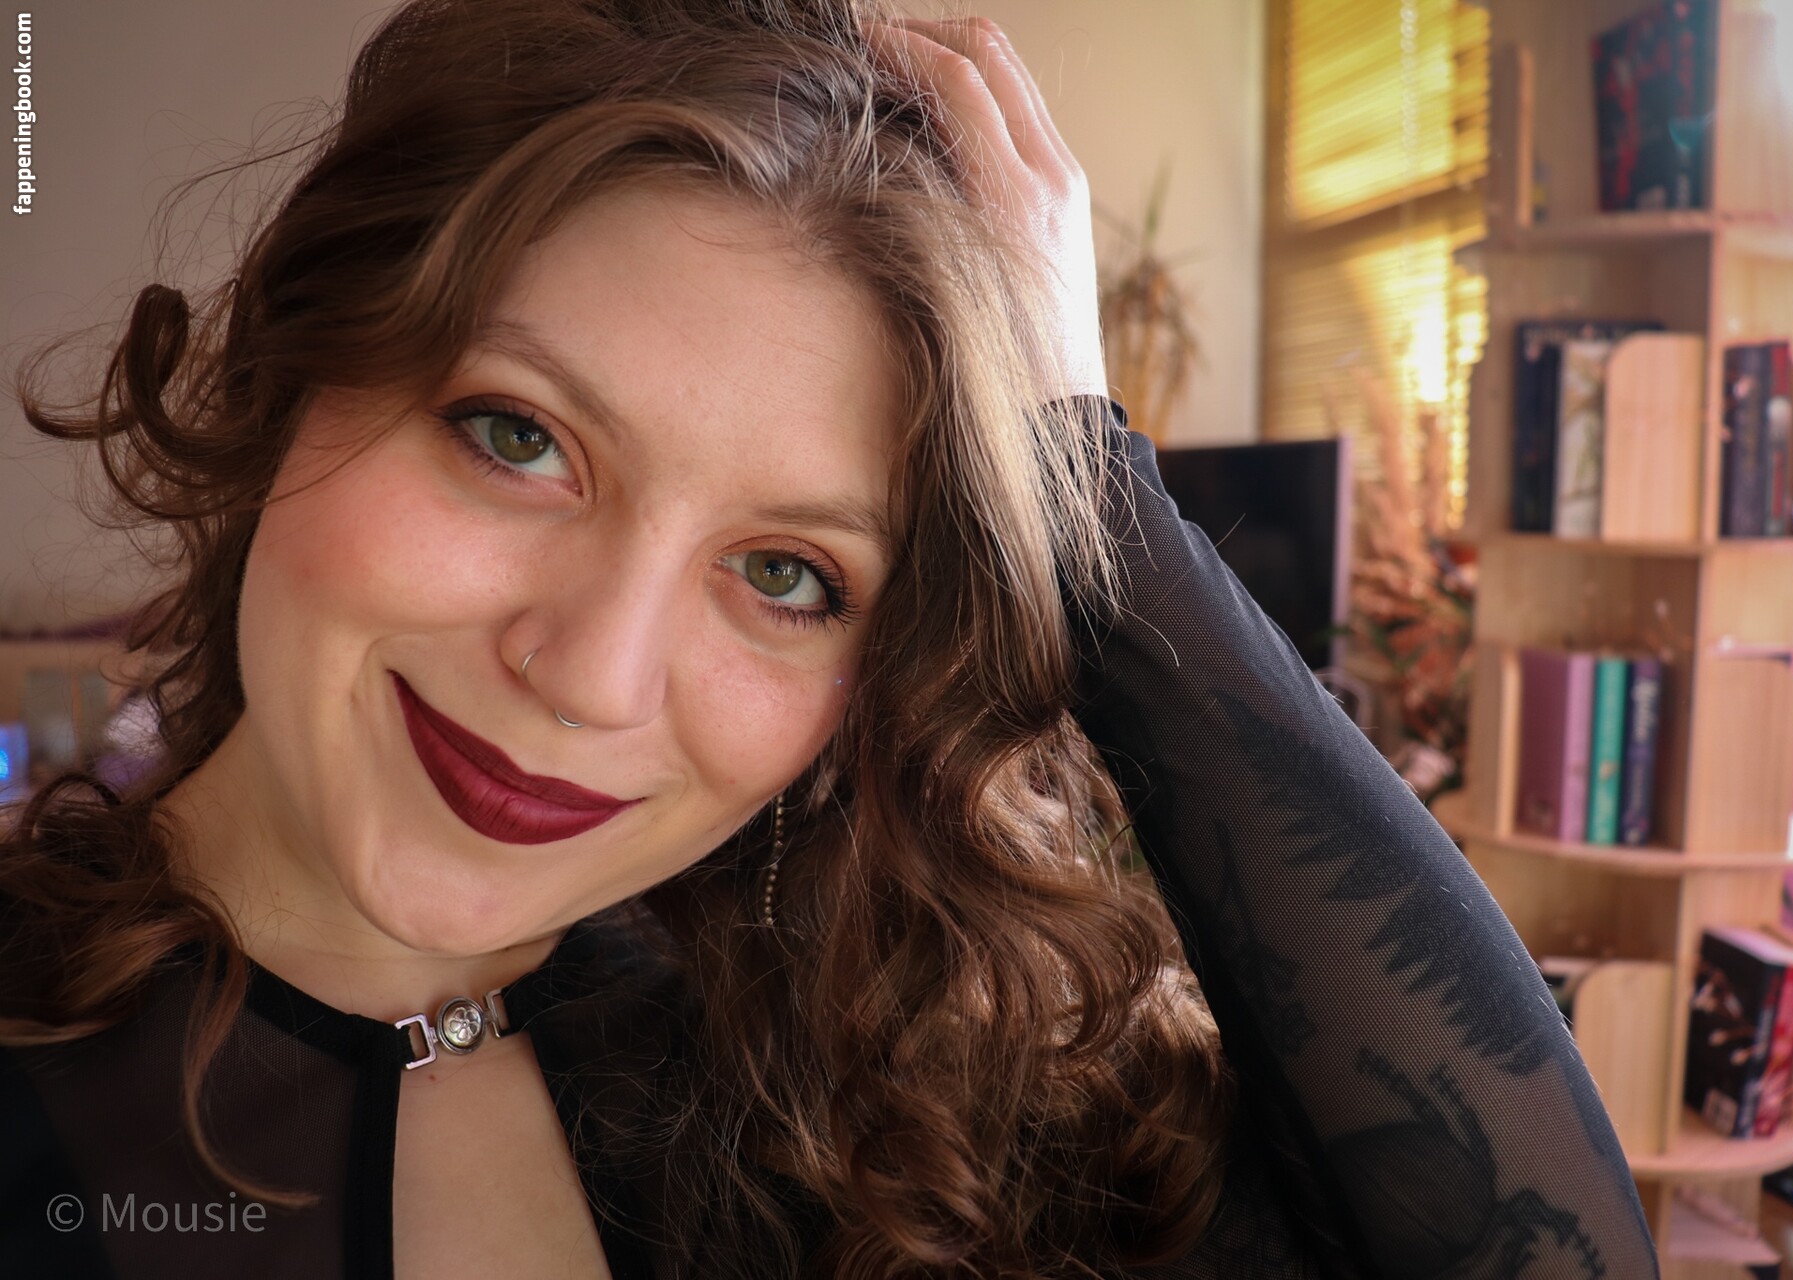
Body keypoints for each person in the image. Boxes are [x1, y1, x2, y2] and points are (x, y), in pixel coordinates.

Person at [0, 0, 1660, 1276]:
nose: (592, 675)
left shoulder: (860, 1124)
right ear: (293, 365)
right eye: (517, 437)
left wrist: (1087, 477)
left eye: (788, 574)